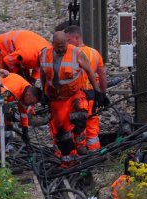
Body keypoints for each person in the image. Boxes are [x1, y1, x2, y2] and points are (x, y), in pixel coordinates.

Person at [39, 31, 103, 165]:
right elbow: (43, 74)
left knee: (79, 116)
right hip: (57, 98)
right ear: (53, 44)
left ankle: (80, 145)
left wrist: (98, 91)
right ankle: (68, 159)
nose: (61, 49)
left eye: (63, 46)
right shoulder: (45, 54)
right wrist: (44, 92)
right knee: (62, 129)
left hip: (74, 93)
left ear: (67, 43)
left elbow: (90, 71)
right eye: (58, 46)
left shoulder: (76, 53)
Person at [63, 25, 109, 151]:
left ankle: (78, 153)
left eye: (68, 40)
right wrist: (102, 93)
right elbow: (102, 75)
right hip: (92, 94)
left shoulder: (71, 54)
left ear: (76, 38)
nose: (66, 43)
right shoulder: (94, 53)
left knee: (76, 125)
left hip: (77, 96)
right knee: (91, 122)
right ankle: (94, 151)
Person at [0, 73, 42, 152]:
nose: (31, 105)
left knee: (8, 127)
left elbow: (24, 114)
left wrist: (25, 131)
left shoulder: (27, 93)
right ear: (28, 95)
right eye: (31, 103)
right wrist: (6, 112)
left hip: (0, 100)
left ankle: (2, 149)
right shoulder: (13, 90)